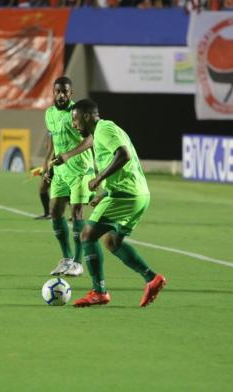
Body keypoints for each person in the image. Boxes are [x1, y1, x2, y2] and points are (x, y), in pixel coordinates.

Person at [68, 99, 166, 307]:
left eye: (75, 120)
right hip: (138, 195)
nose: (74, 125)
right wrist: (104, 194)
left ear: (87, 116)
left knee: (87, 235)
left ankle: (99, 291)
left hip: (127, 194)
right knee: (112, 242)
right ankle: (152, 279)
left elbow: (124, 155)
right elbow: (123, 168)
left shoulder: (104, 129)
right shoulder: (103, 132)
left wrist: (99, 178)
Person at [44, 77, 94, 277]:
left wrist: (68, 155)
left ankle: (77, 263)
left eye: (65, 92)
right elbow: (56, 140)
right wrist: (51, 165)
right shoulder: (49, 114)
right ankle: (66, 259)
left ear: (71, 93)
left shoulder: (77, 113)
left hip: (80, 168)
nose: (61, 95)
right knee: (55, 211)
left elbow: (90, 139)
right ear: (53, 92)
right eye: (57, 91)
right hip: (61, 170)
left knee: (77, 213)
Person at [34, 133, 52, 220]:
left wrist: (46, 166)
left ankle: (48, 213)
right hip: (54, 163)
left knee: (43, 188)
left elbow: (50, 149)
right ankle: (48, 213)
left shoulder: (53, 131)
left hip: (53, 164)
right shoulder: (51, 131)